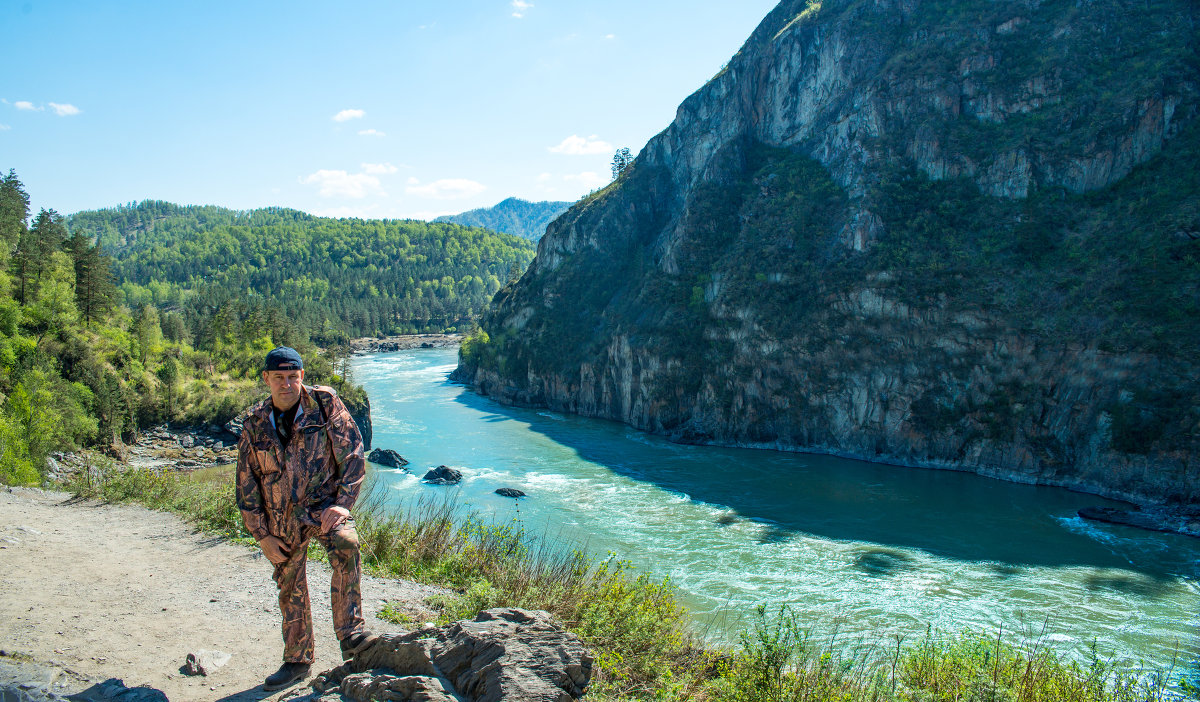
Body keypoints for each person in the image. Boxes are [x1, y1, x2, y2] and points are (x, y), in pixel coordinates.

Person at [236, 346, 376, 691]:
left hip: (323, 507)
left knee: (346, 544)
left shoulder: (325, 404)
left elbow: (353, 452)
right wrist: (262, 536)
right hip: (280, 518)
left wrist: (344, 503)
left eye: (293, 377)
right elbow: (246, 483)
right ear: (266, 379)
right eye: (279, 377)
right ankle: (297, 660)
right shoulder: (254, 424)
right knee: (289, 583)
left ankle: (352, 637)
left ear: (302, 376)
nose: (287, 384)